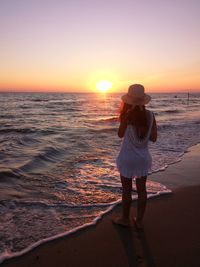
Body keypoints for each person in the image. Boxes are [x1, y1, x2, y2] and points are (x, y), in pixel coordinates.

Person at [113, 84, 157, 229]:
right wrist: (142, 133)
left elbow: (120, 135)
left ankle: (124, 219)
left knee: (126, 190)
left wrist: (126, 122)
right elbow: (153, 138)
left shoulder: (126, 116)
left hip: (127, 158)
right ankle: (139, 221)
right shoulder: (150, 115)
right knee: (142, 190)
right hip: (143, 159)